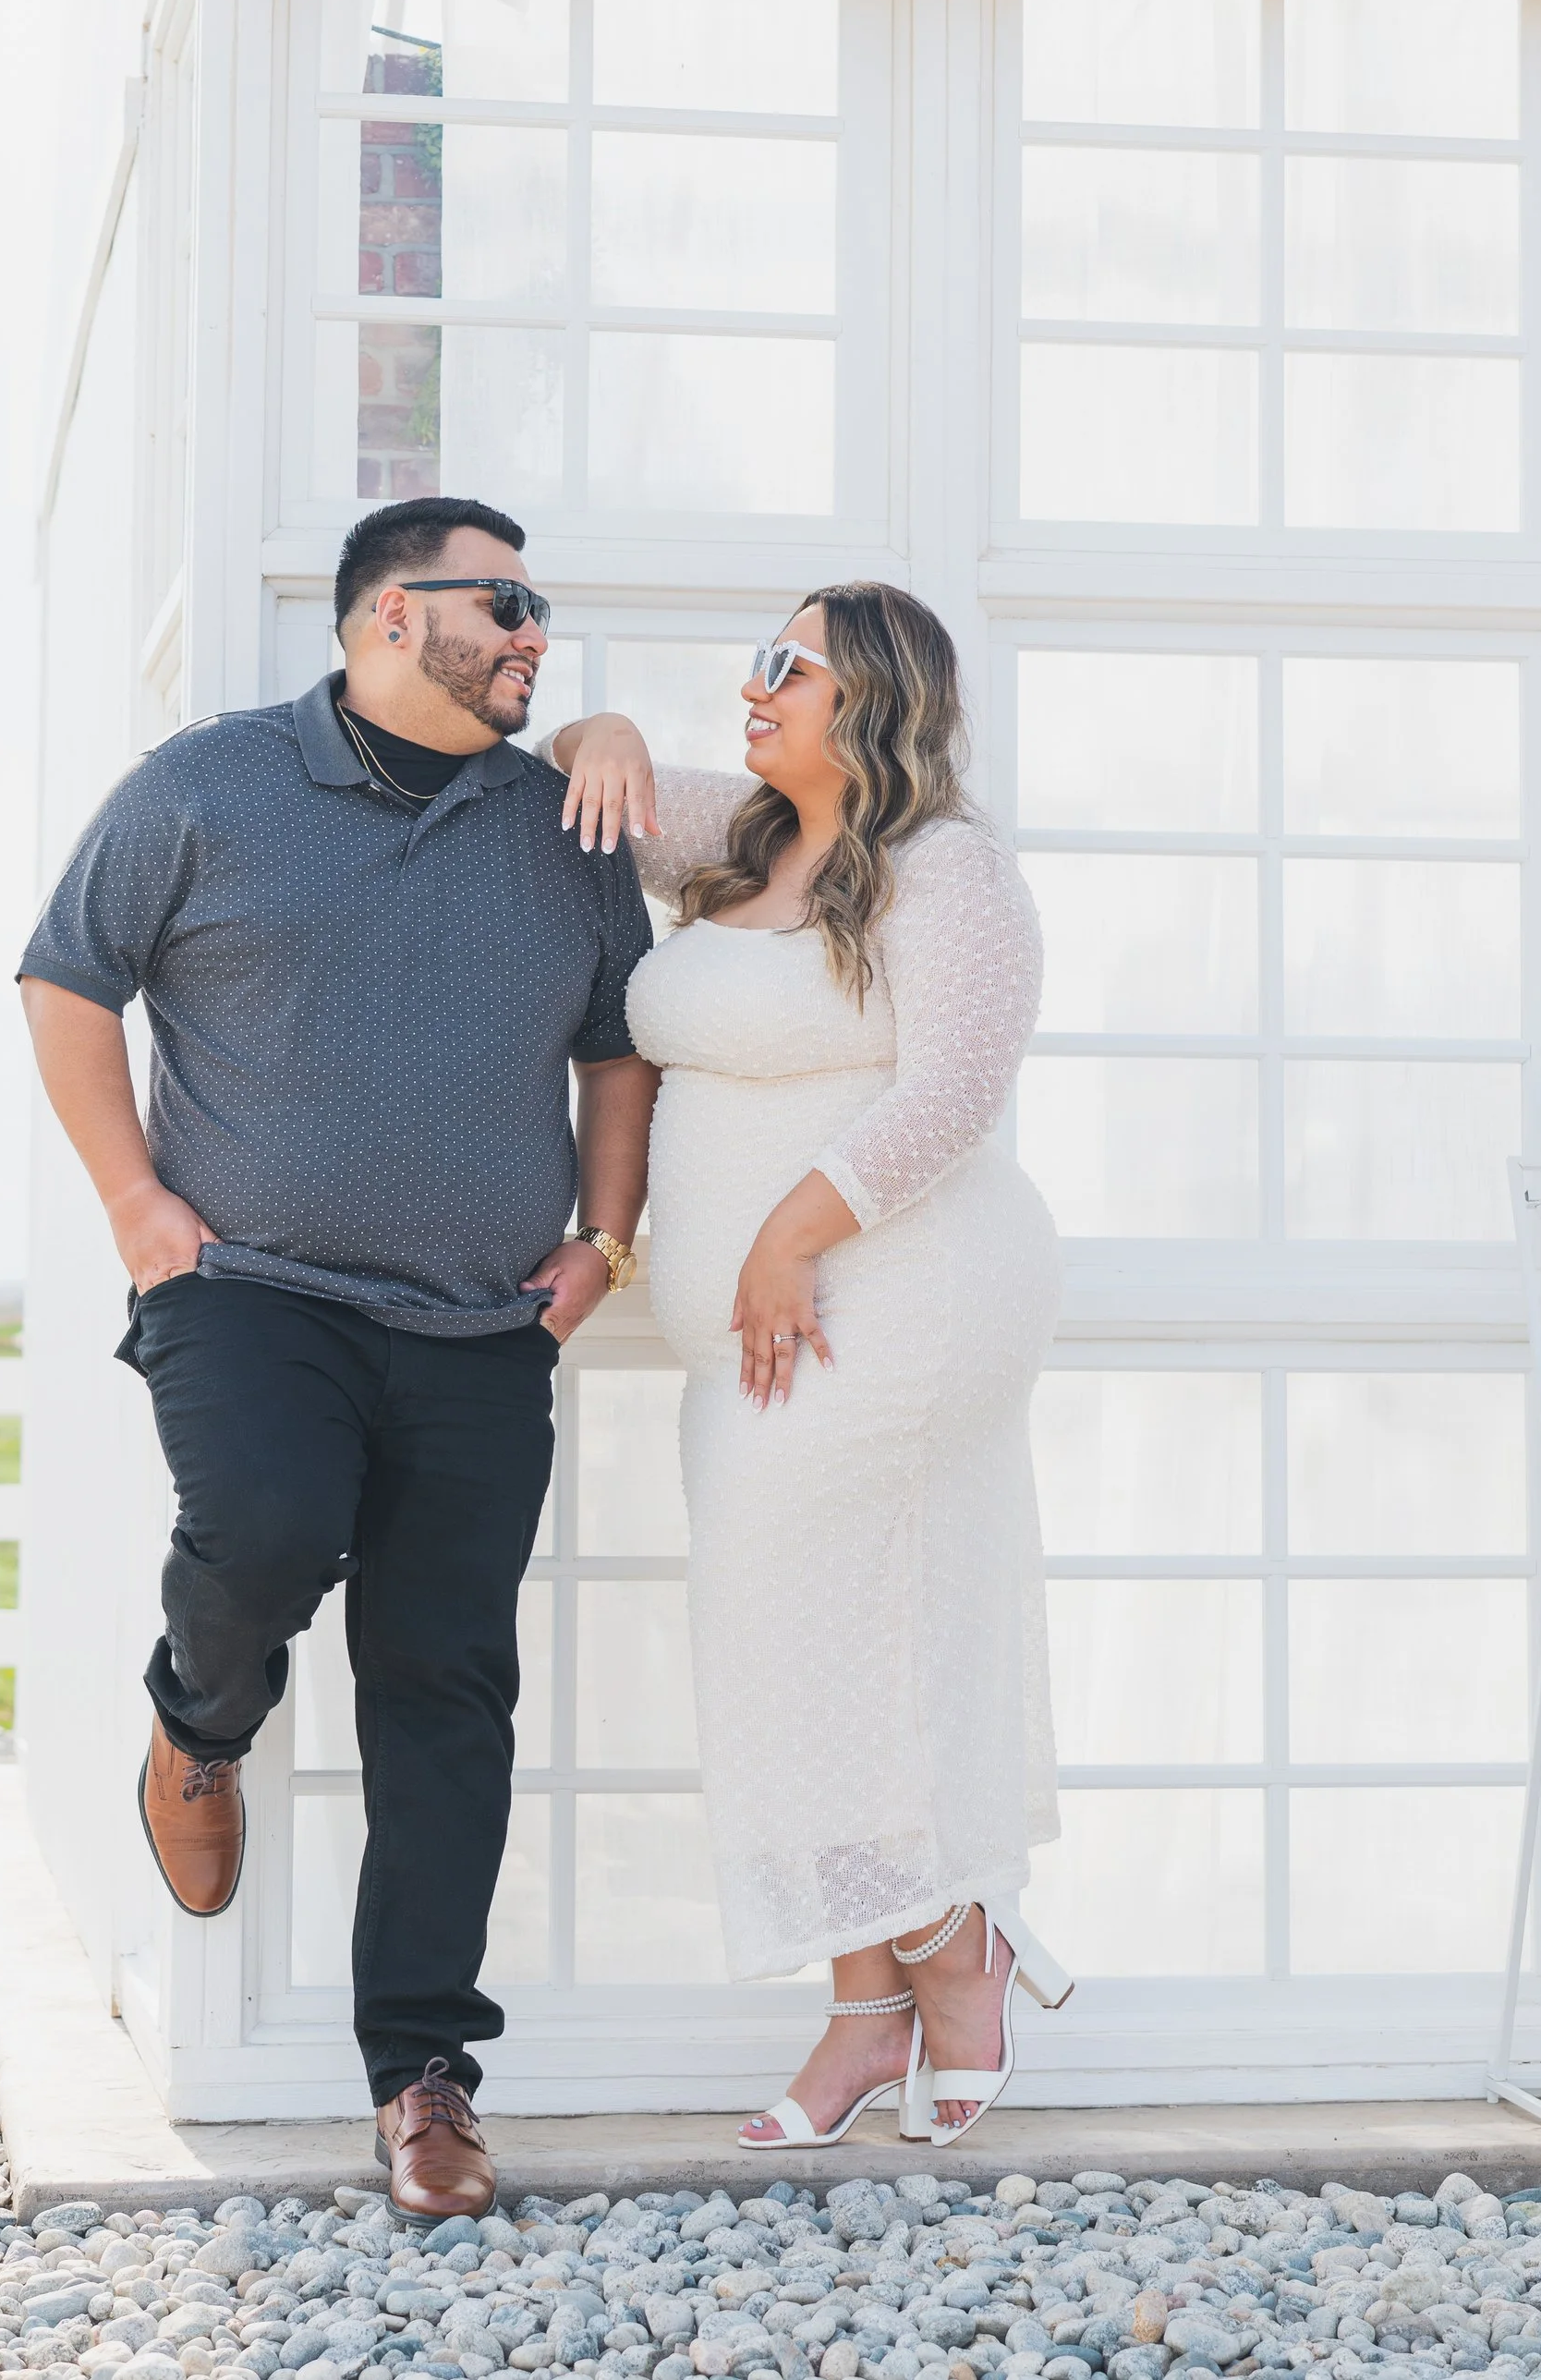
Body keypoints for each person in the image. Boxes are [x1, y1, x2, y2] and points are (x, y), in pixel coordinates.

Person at [18, 497, 656, 2218]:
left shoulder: (568, 826)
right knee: (270, 1527)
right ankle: (196, 1722)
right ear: (388, 616)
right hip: (249, 1289)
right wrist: (137, 1203)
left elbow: (620, 1051)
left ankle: (427, 2080)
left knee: (446, 1689)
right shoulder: (207, 785)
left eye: (542, 611)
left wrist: (603, 1243)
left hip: (478, 1322)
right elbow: (68, 980)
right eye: (504, 602)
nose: (535, 634)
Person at [548, 582, 1068, 2148]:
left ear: (877, 697)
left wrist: (786, 1236)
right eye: (755, 655)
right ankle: (881, 1993)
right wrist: (612, 724)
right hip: (758, 1334)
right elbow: (578, 766)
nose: (754, 681)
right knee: (797, 1642)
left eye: (790, 663)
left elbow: (957, 1090)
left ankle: (945, 1959)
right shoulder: (741, 831)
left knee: (843, 1629)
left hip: (904, 1290)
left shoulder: (946, 868)